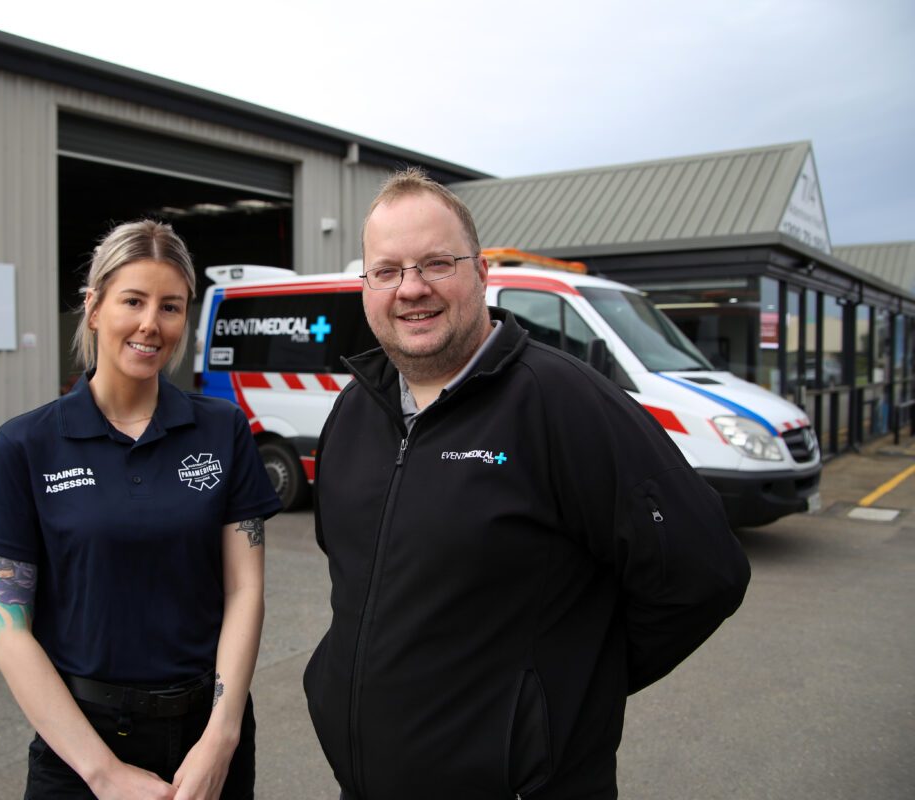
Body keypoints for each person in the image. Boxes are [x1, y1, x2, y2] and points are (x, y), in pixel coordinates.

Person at [303, 169, 751, 799]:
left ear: (482, 272)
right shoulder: (353, 413)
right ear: (367, 285)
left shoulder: (564, 402)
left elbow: (706, 573)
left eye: (436, 263)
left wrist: (557, 698)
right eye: (388, 270)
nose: (411, 289)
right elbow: (352, 581)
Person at [0, 220, 281, 800]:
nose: (150, 324)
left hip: (205, 737)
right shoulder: (26, 445)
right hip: (80, 744)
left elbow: (244, 590)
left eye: (171, 306)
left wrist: (221, 737)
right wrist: (102, 773)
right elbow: (5, 630)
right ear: (94, 307)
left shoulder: (222, 429)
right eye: (133, 300)